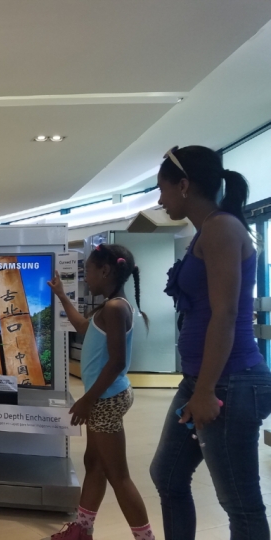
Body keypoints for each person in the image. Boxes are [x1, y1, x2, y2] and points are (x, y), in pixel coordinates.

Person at [151, 145, 271, 540]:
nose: (160, 199)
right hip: (203, 380)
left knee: (240, 502)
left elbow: (226, 314)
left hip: (228, 382)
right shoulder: (208, 230)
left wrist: (204, 391)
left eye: (163, 189)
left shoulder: (221, 228)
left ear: (184, 185)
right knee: (167, 475)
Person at [45, 244, 155, 540]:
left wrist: (87, 400)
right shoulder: (110, 307)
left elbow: (117, 361)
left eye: (88, 271)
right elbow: (83, 327)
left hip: (105, 400)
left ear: (105, 271)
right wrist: (62, 296)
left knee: (118, 476)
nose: (86, 278)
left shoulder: (115, 308)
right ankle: (82, 529)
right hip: (104, 397)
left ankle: (145, 537)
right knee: (93, 464)